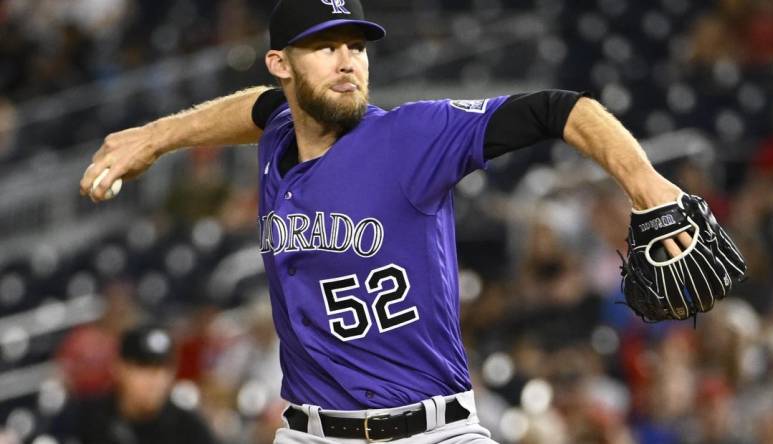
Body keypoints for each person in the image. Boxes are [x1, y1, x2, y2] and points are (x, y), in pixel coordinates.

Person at [79, 1, 695, 442]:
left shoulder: (411, 137)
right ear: (280, 63)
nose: (347, 61)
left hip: (429, 431)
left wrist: (645, 183)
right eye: (325, 46)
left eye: (356, 45)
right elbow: (259, 108)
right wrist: (156, 137)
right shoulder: (277, 135)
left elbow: (561, 109)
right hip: (309, 431)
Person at [52, 324, 217, 444]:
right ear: (119, 368)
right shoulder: (85, 415)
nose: (154, 379)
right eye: (142, 367)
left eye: (161, 368)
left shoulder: (188, 427)